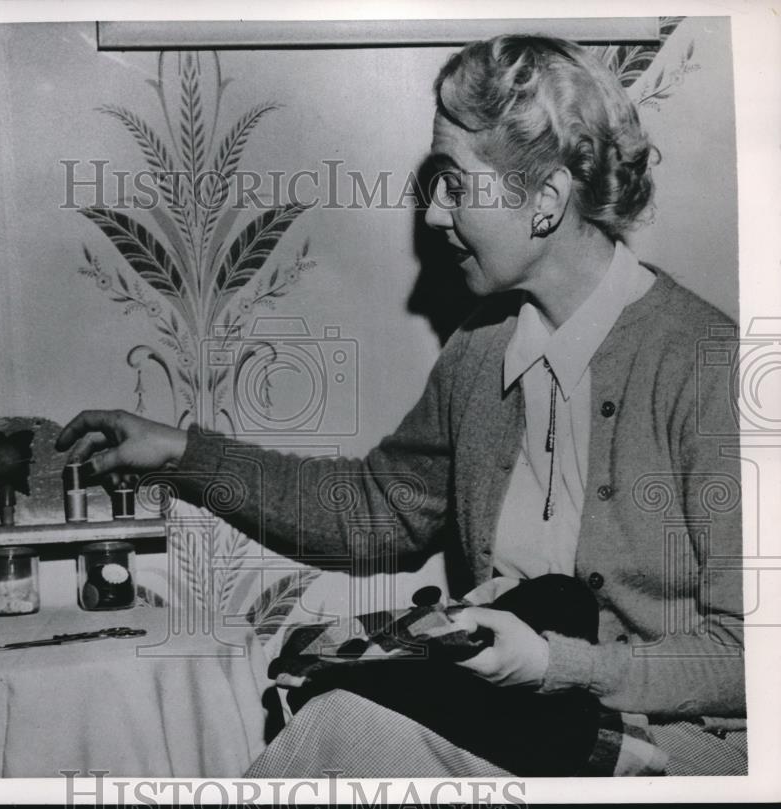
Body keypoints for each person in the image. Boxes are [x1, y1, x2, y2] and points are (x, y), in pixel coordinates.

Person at [56, 35, 745, 776]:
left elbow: (748, 656)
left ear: (544, 201)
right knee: (334, 713)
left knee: (342, 735)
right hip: (528, 728)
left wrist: (554, 662)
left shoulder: (705, 365)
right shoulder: (481, 354)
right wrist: (181, 453)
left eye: (455, 183)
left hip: (677, 751)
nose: (435, 215)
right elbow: (371, 508)